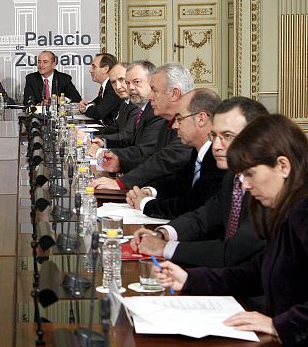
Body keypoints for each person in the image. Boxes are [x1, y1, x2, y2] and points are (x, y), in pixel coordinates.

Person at [155, 114, 308, 347]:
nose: (245, 185)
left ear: (283, 165)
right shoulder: (285, 209)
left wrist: (279, 325)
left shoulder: (303, 211)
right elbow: (257, 272)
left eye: (250, 174)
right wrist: (190, 280)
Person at [131, 97, 269, 267]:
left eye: (227, 136)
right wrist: (163, 233)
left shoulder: (268, 189)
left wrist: (164, 248)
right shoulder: (233, 178)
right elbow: (203, 218)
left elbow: (234, 252)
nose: (216, 146)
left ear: (256, 137)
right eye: (214, 136)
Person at [125, 88, 224, 220]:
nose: (174, 126)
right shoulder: (198, 151)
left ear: (201, 119)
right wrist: (149, 191)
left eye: (180, 119)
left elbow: (193, 205)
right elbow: (178, 182)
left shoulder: (218, 159)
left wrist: (145, 204)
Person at [92, 62, 193, 190]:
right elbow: (152, 156)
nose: (150, 96)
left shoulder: (190, 123)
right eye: (128, 83)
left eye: (154, 90)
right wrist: (121, 164)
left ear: (174, 94)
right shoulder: (167, 120)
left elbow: (166, 160)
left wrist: (122, 183)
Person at [91, 62, 138, 145]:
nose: (117, 87)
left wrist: (98, 139)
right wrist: (90, 135)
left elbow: (126, 137)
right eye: (113, 82)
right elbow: (113, 129)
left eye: (122, 80)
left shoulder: (138, 104)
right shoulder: (125, 102)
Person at [79, 53, 121, 125]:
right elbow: (95, 103)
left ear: (105, 69)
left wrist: (87, 107)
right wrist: (86, 106)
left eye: (94, 67)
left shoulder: (113, 87)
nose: (90, 70)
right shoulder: (106, 86)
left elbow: (98, 112)